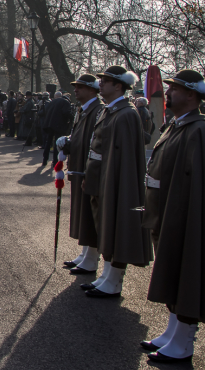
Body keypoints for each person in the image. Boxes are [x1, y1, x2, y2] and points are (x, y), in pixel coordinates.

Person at [140, 70, 205, 364]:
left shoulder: (201, 130)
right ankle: (174, 329)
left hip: (182, 216)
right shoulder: (178, 125)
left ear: (192, 94)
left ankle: (185, 339)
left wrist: (182, 217)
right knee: (171, 273)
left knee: (185, 273)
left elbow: (198, 186)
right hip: (166, 212)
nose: (168, 94)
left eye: (175, 89)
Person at [80, 66, 151, 298]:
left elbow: (127, 158)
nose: (100, 84)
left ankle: (114, 279)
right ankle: (106, 276)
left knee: (115, 228)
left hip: (115, 180)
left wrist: (116, 184)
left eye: (105, 81)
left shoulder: (126, 113)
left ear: (118, 85)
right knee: (105, 227)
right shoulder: (110, 111)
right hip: (102, 178)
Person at [59, 74, 104, 274]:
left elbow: (95, 141)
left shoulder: (97, 110)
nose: (76, 90)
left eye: (81, 87)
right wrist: (68, 141)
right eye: (76, 86)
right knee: (81, 213)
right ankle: (86, 252)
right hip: (79, 168)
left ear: (93, 90)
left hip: (89, 170)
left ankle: (91, 257)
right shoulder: (83, 110)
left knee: (88, 214)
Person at [40, 91, 73, 166]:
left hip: (49, 124)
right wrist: (71, 118)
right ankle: (55, 161)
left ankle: (44, 160)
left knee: (48, 142)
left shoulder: (53, 101)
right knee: (56, 143)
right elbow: (66, 112)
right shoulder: (66, 102)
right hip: (58, 124)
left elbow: (46, 111)